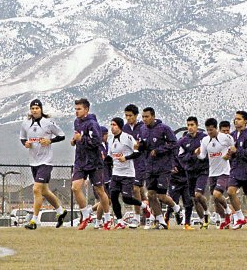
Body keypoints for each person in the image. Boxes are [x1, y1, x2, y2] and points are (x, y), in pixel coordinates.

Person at [20, 99, 67, 230]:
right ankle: (61, 211)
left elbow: (62, 135)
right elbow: (22, 138)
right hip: (33, 161)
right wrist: (25, 143)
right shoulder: (25, 124)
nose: (34, 110)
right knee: (44, 191)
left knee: (36, 189)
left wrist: (50, 140)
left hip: (46, 161)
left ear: (41, 109)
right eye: (32, 108)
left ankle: (34, 221)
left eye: (37, 108)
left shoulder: (48, 123)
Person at [70, 98, 111, 230]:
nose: (76, 112)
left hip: (94, 162)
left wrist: (81, 139)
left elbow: (96, 142)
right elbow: (78, 138)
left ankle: (107, 218)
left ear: (86, 109)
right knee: (75, 187)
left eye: (79, 109)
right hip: (80, 161)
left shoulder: (93, 124)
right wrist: (74, 141)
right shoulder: (77, 122)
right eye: (75, 109)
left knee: (100, 191)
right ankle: (86, 215)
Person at [138, 107, 181, 229]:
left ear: (153, 116)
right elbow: (144, 146)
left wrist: (159, 150)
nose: (144, 119)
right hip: (149, 167)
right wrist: (139, 146)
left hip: (163, 166)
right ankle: (161, 221)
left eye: (147, 116)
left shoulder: (164, 128)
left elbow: (174, 144)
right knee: (151, 194)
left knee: (161, 196)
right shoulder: (142, 129)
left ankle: (176, 208)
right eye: (143, 117)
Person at [107, 117, 151, 229]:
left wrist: (126, 158)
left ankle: (144, 206)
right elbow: (109, 157)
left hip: (127, 174)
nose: (112, 127)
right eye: (111, 124)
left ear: (120, 126)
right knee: (113, 197)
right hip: (116, 173)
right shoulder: (111, 140)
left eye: (115, 125)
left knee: (126, 198)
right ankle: (120, 221)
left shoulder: (127, 138)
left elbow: (137, 153)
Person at [197, 118, 234, 229]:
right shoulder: (205, 140)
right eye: (208, 130)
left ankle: (228, 210)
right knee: (215, 199)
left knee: (216, 194)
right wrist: (198, 154)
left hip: (224, 171)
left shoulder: (226, 138)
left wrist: (229, 155)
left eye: (211, 130)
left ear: (216, 128)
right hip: (212, 172)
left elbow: (233, 148)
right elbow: (202, 156)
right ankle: (223, 219)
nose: (209, 132)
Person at [178, 117, 210, 229]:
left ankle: (207, 212)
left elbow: (210, 151)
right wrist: (192, 154)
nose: (190, 127)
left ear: (197, 125)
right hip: (190, 171)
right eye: (188, 125)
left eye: (192, 125)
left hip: (203, 170)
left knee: (198, 194)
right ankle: (203, 221)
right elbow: (181, 157)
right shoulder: (183, 141)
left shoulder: (205, 138)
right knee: (194, 198)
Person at [122, 104, 147, 227]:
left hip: (140, 162)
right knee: (141, 192)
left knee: (135, 188)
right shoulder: (124, 128)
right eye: (126, 115)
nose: (128, 118)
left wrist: (139, 145)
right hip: (128, 162)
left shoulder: (142, 127)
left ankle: (136, 217)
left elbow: (146, 144)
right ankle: (148, 213)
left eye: (130, 116)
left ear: (136, 116)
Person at [164, 155, 193, 230]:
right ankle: (166, 218)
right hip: (174, 180)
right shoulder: (174, 147)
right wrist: (172, 167)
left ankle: (187, 223)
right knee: (173, 202)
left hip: (187, 179)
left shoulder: (188, 147)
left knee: (188, 202)